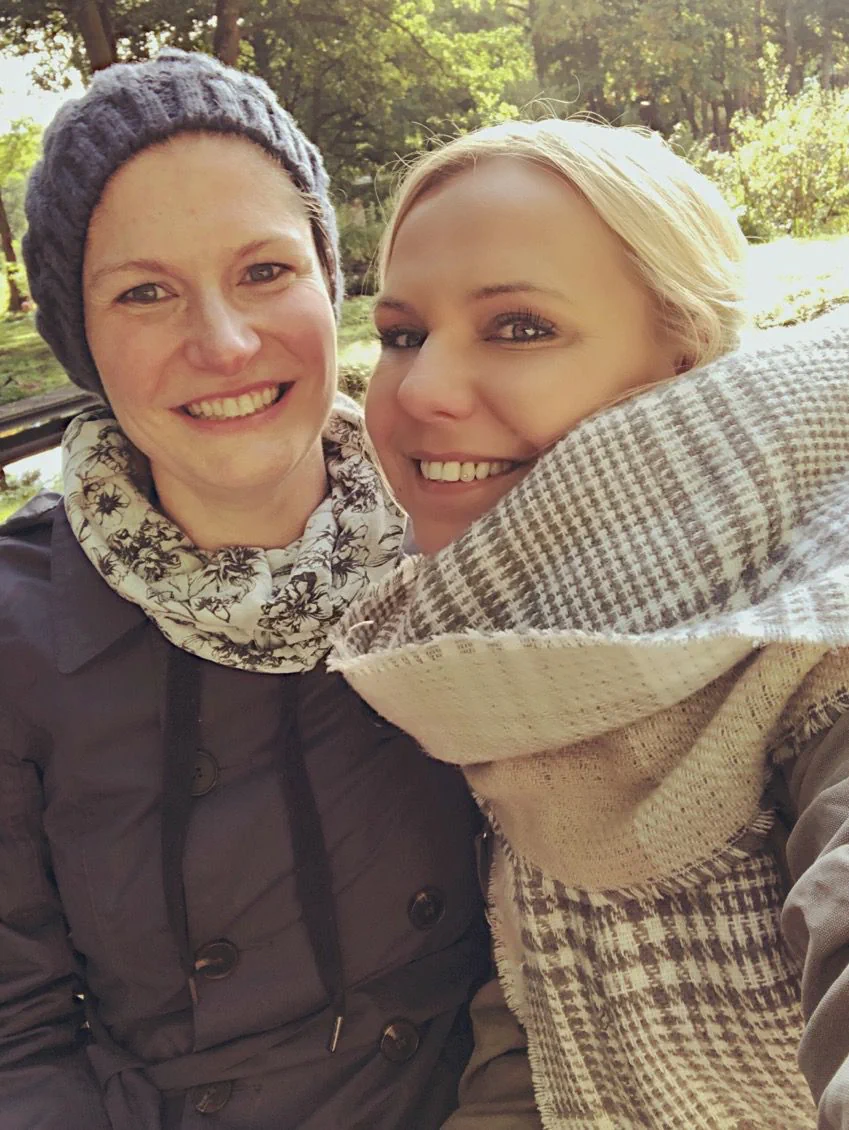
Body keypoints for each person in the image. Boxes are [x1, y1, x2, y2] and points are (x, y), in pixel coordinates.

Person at [0, 49, 504, 1130]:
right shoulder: (18, 632)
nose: (224, 344)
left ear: (330, 282)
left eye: (265, 271)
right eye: (144, 292)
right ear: (81, 336)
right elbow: (16, 1042)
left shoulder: (463, 530)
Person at [329, 117, 849, 1128]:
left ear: (684, 355)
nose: (419, 388)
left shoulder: (812, 646)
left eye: (519, 326)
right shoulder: (473, 657)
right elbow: (531, 1024)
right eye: (401, 335)